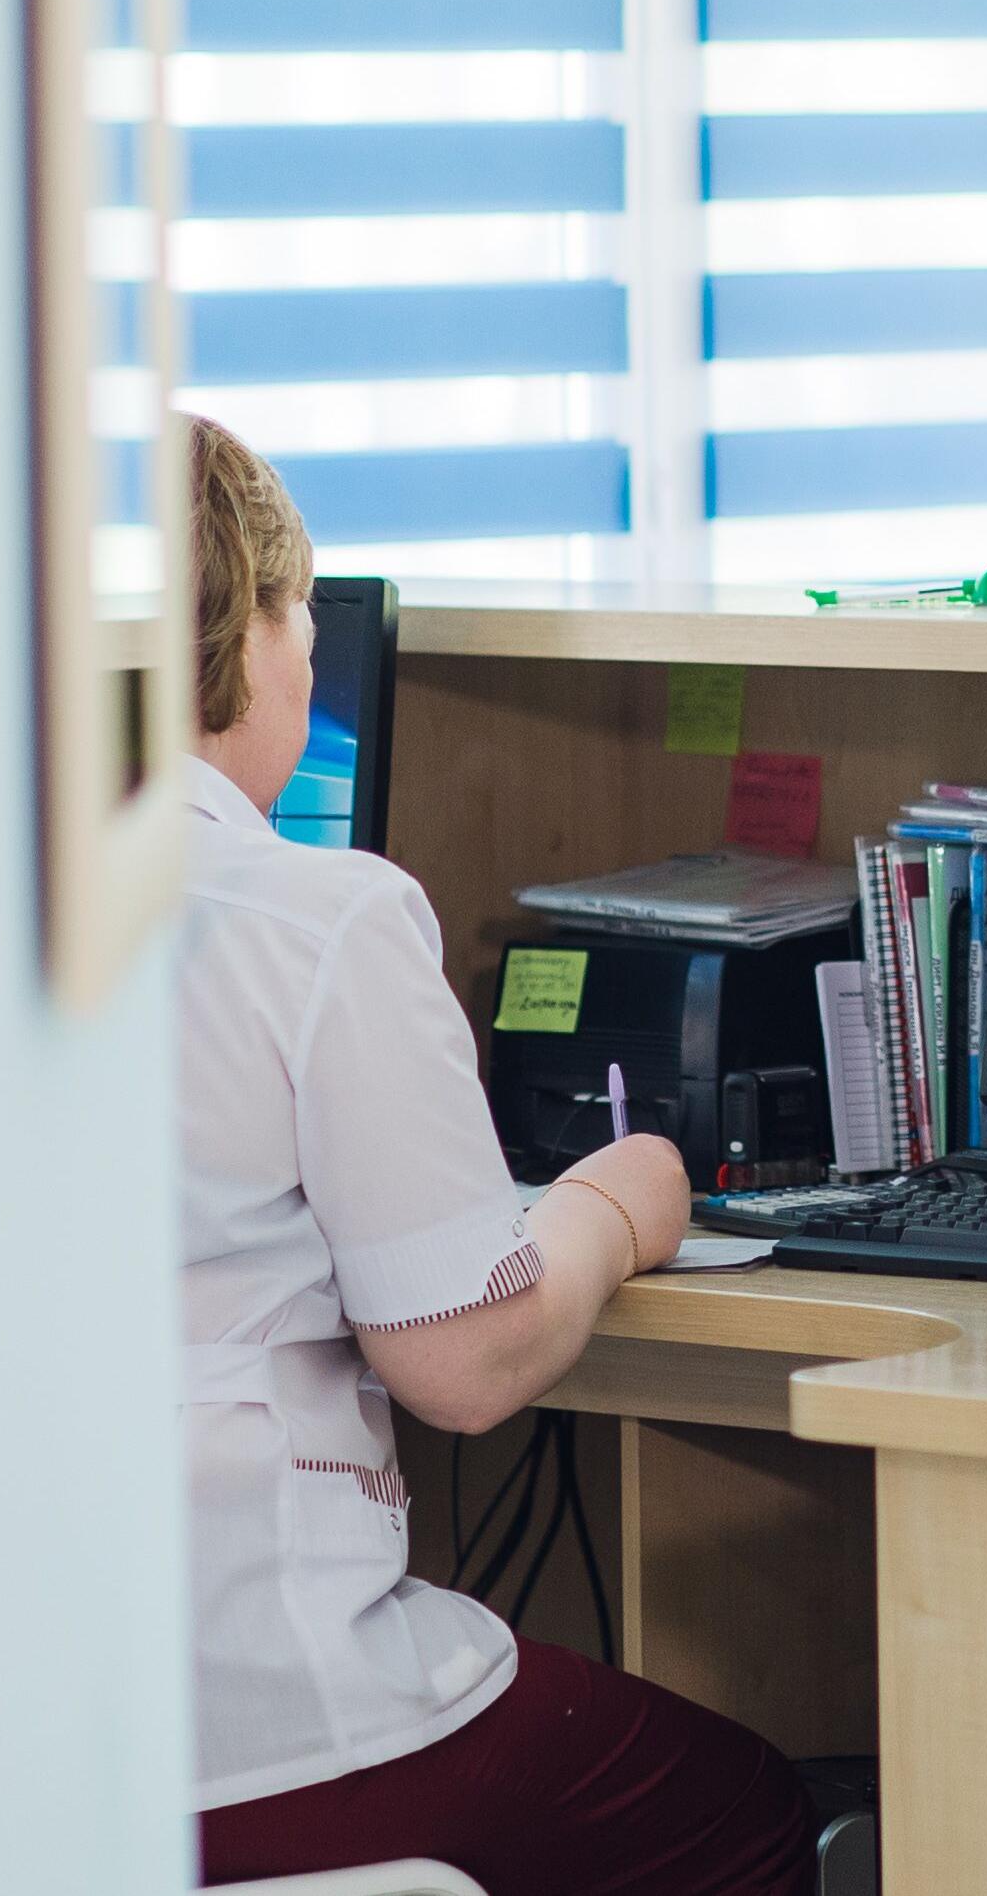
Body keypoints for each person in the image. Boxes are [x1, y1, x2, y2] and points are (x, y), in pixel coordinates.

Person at [171, 418, 820, 1896]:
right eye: (294, 615)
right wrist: (612, 1203)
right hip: (265, 1728)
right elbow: (465, 1366)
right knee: (747, 1819)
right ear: (250, 629)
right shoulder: (313, 916)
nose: (307, 661)